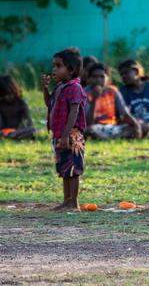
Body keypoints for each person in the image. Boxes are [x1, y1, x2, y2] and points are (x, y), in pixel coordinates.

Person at [42, 49, 87, 211]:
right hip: (60, 135)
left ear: (71, 69)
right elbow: (49, 104)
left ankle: (73, 202)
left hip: (72, 136)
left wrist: (66, 135)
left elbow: (74, 112)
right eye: (54, 66)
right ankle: (66, 201)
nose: (54, 69)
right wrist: (45, 89)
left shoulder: (74, 88)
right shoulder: (60, 87)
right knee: (64, 168)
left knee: (73, 169)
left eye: (58, 66)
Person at [83, 63, 146, 139]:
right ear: (89, 79)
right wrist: (94, 100)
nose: (98, 80)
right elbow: (89, 123)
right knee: (89, 130)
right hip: (95, 127)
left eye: (102, 77)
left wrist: (136, 125)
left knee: (141, 126)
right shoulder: (85, 93)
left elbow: (124, 113)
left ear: (108, 78)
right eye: (94, 77)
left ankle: (111, 136)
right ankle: (115, 136)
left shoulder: (113, 90)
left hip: (113, 127)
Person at [0, 75, 35, 140]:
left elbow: (29, 123)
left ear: (14, 91)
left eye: (9, 94)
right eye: (3, 96)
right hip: (2, 133)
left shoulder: (21, 103)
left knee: (32, 130)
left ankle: (11, 137)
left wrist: (19, 131)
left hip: (17, 132)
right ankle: (6, 137)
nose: (6, 98)